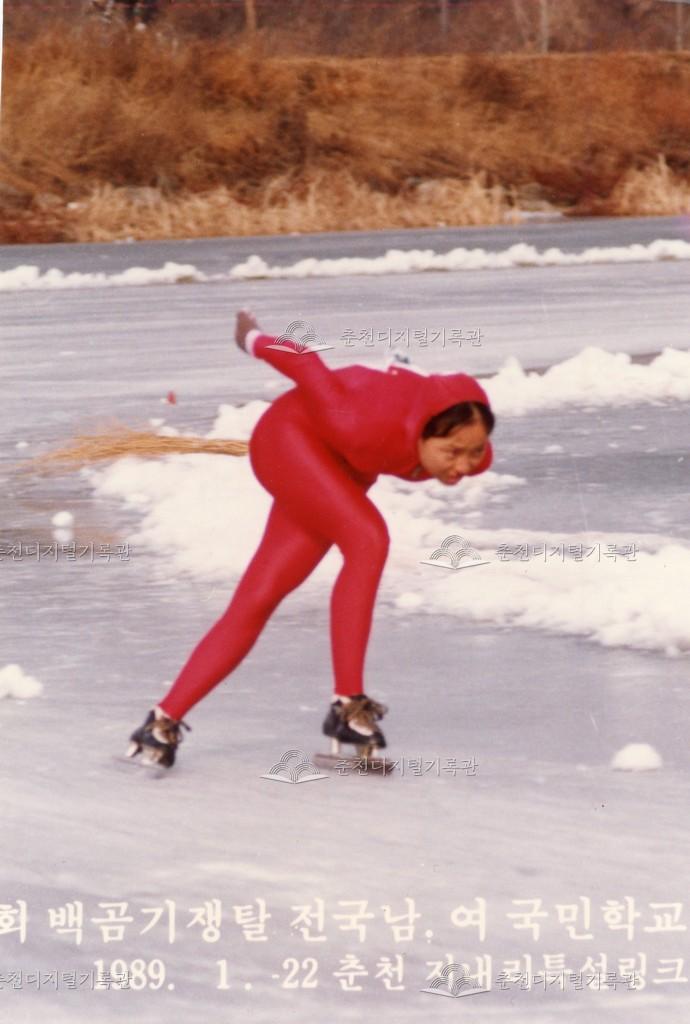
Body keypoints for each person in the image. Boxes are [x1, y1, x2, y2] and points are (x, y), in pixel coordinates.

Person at [127, 311, 495, 767]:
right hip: (288, 441)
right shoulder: (361, 420)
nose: (464, 465)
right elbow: (307, 366)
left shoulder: (470, 444)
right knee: (368, 539)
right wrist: (254, 338)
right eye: (452, 452)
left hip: (337, 471)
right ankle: (347, 703)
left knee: (259, 596)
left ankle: (162, 721)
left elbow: (420, 388)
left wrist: (451, 431)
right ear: (422, 431)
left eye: (474, 451)